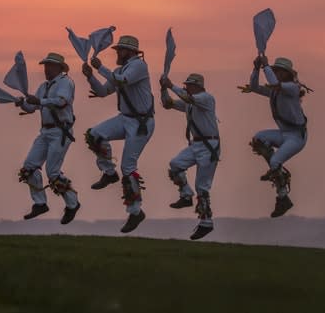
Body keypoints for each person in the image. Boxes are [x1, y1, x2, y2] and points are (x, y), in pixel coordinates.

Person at [82, 35, 155, 233]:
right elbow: (104, 91)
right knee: (94, 134)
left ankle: (135, 211)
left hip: (141, 123)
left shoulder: (138, 66)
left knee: (128, 167)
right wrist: (90, 77)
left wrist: (99, 68)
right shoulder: (118, 70)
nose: (117, 53)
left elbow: (122, 81)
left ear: (130, 52)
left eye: (120, 50)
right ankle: (109, 173)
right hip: (126, 118)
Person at [16, 53, 80, 224]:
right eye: (45, 66)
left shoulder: (65, 82)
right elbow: (31, 107)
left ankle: (72, 203)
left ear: (60, 68)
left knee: (52, 172)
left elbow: (62, 102)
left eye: (50, 66)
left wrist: (40, 101)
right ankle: (40, 203)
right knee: (29, 167)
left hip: (60, 132)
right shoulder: (44, 86)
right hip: (45, 132)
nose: (46, 69)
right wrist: (22, 102)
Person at [161, 73, 220, 240]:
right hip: (196, 144)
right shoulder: (190, 102)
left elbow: (186, 98)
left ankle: (206, 223)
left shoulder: (206, 98)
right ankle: (186, 195)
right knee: (175, 164)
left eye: (190, 85)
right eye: (186, 85)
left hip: (210, 146)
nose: (187, 87)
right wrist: (163, 89)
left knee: (202, 187)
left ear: (199, 86)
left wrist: (171, 85)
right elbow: (168, 104)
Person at [248, 56, 308, 217]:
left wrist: (266, 66)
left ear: (288, 74)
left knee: (275, 161)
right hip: (285, 134)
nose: (277, 73)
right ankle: (277, 172)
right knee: (259, 138)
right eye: (276, 71)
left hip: (297, 137)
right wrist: (256, 68)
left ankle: (282, 196)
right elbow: (254, 87)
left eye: (280, 71)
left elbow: (275, 84)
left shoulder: (293, 87)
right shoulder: (276, 91)